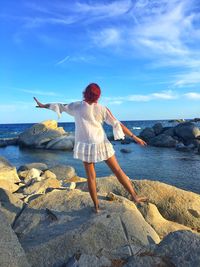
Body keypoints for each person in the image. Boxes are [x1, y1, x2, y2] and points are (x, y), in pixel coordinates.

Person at [34, 83, 147, 213]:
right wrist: (134, 137)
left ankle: (96, 207)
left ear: (85, 93)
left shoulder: (76, 106)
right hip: (101, 144)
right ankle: (134, 197)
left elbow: (60, 106)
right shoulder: (103, 108)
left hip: (85, 146)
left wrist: (43, 106)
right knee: (118, 170)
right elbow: (117, 124)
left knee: (91, 177)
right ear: (98, 96)